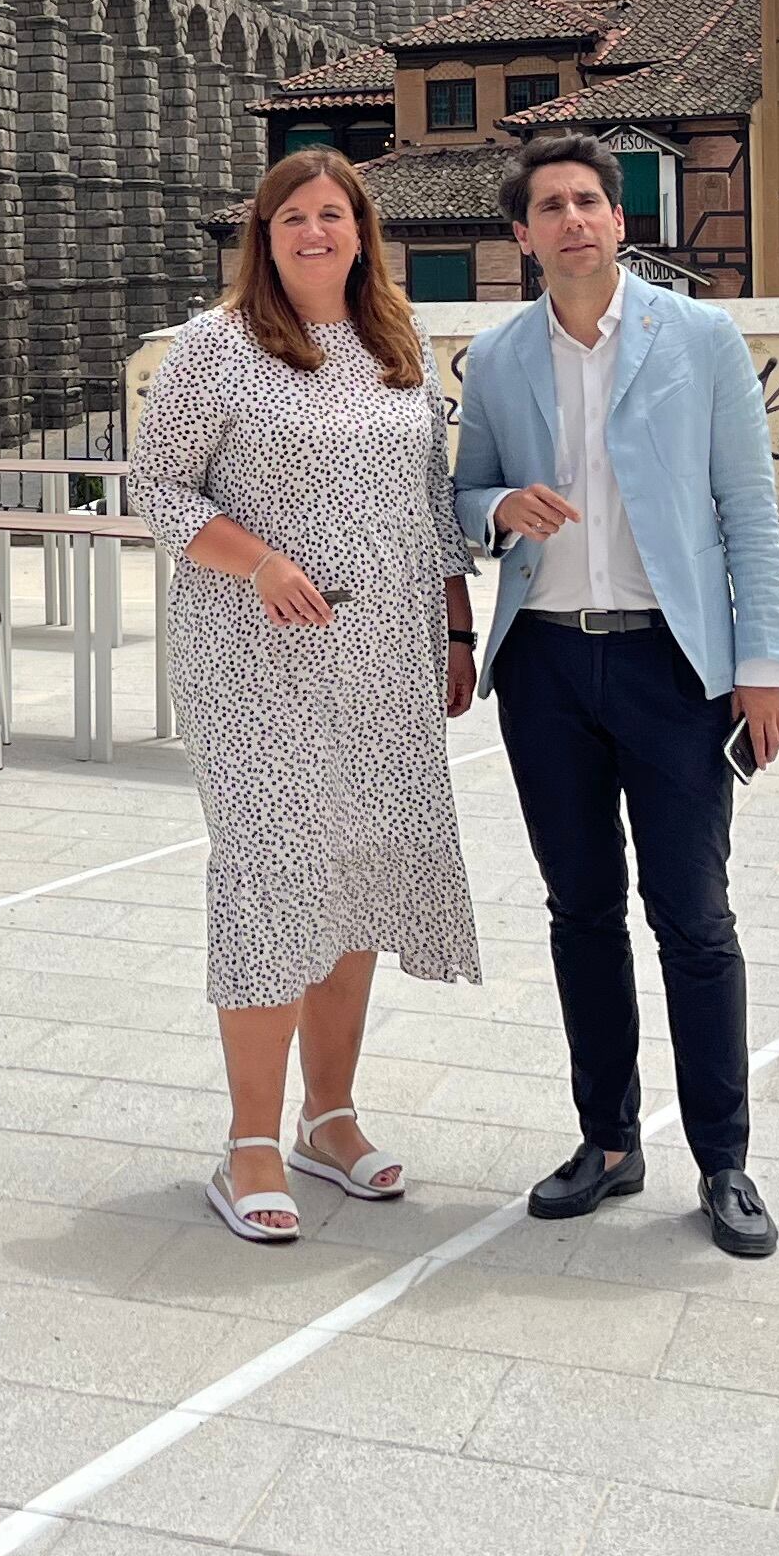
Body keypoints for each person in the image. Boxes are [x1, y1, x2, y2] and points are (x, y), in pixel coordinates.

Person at [452, 130, 779, 1257]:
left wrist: (764, 669)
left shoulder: (698, 338)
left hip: (672, 665)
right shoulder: (498, 357)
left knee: (694, 919)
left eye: (589, 201)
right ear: (523, 234)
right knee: (579, 912)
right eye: (549, 206)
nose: (572, 220)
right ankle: (607, 1141)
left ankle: (725, 1163)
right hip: (546, 665)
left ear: (619, 220)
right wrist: (501, 507)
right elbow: (462, 496)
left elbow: (748, 509)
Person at [133, 148, 482, 1244]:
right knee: (272, 872)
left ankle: (329, 1118)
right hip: (256, 660)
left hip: (385, 657)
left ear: (362, 229)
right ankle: (248, 1143)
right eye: (294, 218)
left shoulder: (398, 344)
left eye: (332, 215)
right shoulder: (215, 347)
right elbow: (155, 486)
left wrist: (456, 626)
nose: (314, 233)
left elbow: (430, 496)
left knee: (359, 874)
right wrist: (260, 562)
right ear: (265, 235)